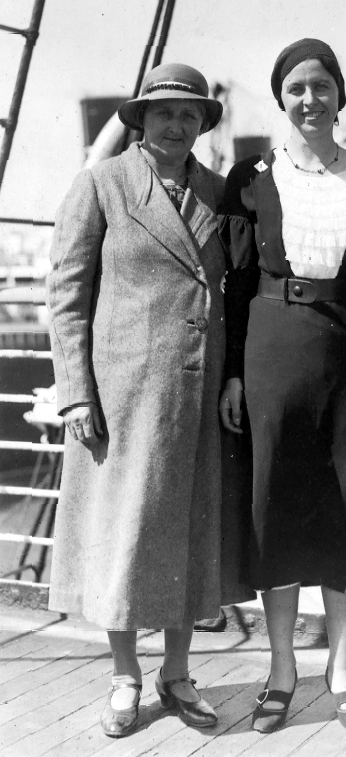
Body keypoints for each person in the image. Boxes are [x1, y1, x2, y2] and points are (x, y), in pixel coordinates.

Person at [47, 62, 254, 738]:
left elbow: (236, 294)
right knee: (125, 535)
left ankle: (177, 673)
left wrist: (232, 376)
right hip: (123, 399)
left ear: (202, 124)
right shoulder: (101, 184)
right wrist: (76, 395)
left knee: (189, 534)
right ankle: (124, 676)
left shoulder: (220, 193)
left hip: (198, 392)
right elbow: (66, 296)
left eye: (189, 114)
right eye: (164, 112)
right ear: (140, 120)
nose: (177, 124)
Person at [219, 38, 346, 735]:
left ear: (339, 93)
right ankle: (280, 672)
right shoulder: (250, 176)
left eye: (321, 85)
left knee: (344, 506)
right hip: (270, 351)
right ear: (281, 98)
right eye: (296, 88)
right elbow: (236, 285)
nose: (309, 99)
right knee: (276, 505)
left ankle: (343, 671)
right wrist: (234, 373)